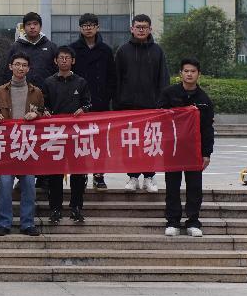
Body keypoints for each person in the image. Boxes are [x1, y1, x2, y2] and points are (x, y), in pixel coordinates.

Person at [0, 52, 45, 236]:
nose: (20, 68)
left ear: (28, 69)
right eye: (17, 64)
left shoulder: (36, 92)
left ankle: (27, 223)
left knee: (29, 186)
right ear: (10, 67)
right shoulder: (0, 91)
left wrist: (37, 114)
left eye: (24, 65)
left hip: (28, 146)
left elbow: (44, 112)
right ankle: (3, 223)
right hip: (7, 145)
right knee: (5, 185)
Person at [159, 58, 214, 238]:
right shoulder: (169, 94)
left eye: (193, 71)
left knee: (194, 187)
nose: (189, 74)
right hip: (173, 148)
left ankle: (193, 221)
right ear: (180, 73)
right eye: (186, 71)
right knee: (172, 186)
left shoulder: (204, 99)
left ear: (199, 74)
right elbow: (159, 118)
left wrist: (207, 153)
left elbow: (208, 128)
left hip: (194, 150)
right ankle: (172, 221)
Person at [116, 13, 169, 193]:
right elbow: (117, 79)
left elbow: (163, 79)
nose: (141, 30)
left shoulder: (157, 51)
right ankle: (132, 177)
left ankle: (149, 177)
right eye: (138, 27)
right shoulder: (123, 51)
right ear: (132, 29)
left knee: (149, 143)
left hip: (151, 107)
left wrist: (162, 103)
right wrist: (117, 104)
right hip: (128, 107)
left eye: (144, 27)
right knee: (130, 144)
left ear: (150, 29)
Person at [41, 46, 92, 224]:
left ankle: (76, 208)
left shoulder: (81, 82)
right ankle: (55, 209)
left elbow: (88, 104)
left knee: (78, 173)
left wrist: (83, 109)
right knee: (55, 173)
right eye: (61, 57)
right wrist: (45, 111)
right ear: (55, 61)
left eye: (67, 58)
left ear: (73, 61)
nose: (64, 60)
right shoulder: (48, 82)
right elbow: (43, 104)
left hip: (76, 134)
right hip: (55, 134)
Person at [69, 13, 116, 190]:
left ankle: (99, 175)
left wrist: (107, 96)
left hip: (100, 102)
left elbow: (112, 76)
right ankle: (80, 174)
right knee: (80, 140)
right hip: (78, 103)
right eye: (84, 25)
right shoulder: (73, 49)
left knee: (99, 140)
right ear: (80, 28)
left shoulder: (106, 50)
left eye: (91, 25)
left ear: (97, 27)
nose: (88, 28)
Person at [0, 12, 58, 86]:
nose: (32, 27)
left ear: (40, 27)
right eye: (28, 24)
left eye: (35, 24)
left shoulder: (51, 47)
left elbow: (57, 71)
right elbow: (7, 72)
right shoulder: (15, 47)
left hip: (46, 91)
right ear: (24, 28)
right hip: (20, 90)